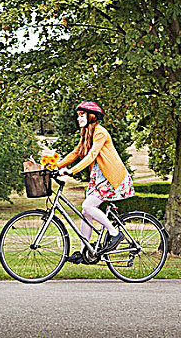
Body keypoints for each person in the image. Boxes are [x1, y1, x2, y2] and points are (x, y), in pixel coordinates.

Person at [58, 101, 135, 264]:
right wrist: (54, 166)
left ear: (91, 116)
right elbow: (76, 153)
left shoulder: (100, 132)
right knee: (86, 213)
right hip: (98, 178)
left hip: (112, 178)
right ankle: (85, 250)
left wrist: (72, 171)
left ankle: (114, 233)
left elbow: (92, 155)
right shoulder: (86, 133)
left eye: (81, 115)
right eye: (78, 116)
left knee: (87, 207)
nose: (78, 119)